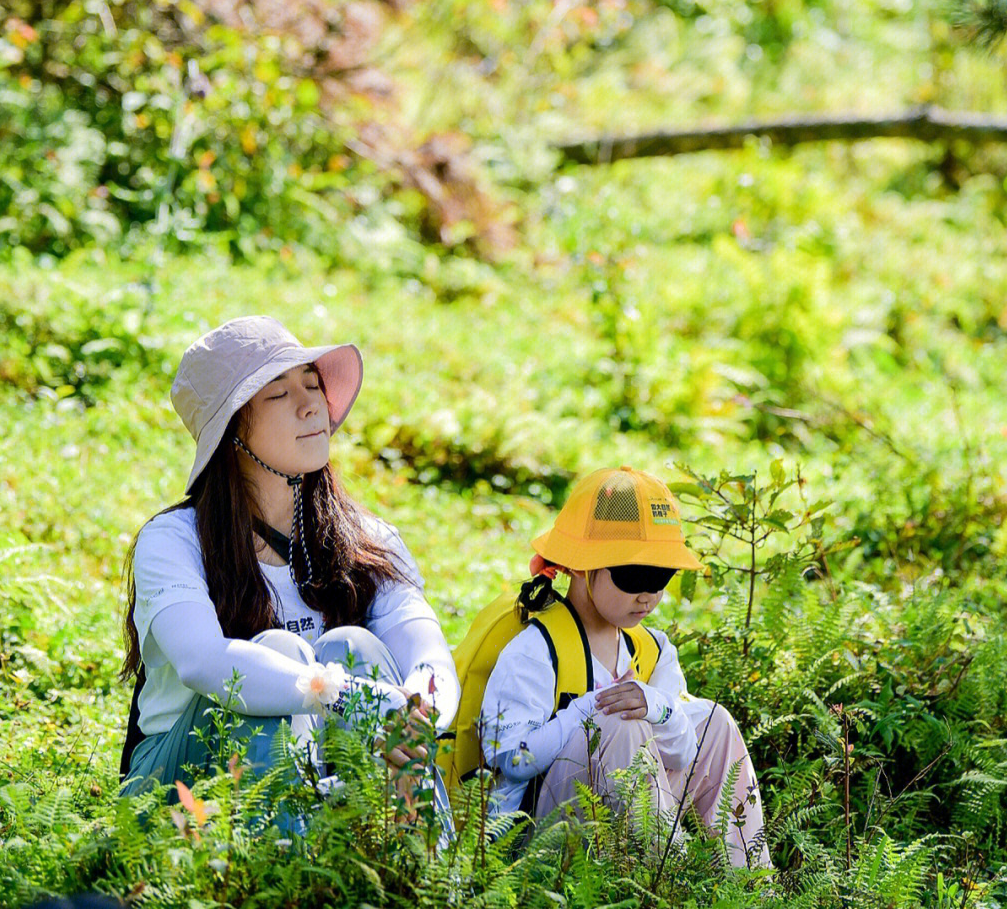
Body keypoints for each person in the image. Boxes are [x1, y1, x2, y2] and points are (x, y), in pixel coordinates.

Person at [119, 314, 459, 827]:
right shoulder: (174, 540)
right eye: (277, 394)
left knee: (357, 647)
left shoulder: (365, 540)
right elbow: (206, 663)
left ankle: (415, 870)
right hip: (178, 790)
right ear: (232, 430)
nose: (311, 404)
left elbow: (428, 651)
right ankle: (273, 880)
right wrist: (350, 697)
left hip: (318, 772)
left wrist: (414, 712)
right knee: (275, 653)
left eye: (312, 383)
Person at [479, 466, 770, 868]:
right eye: (634, 576)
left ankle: (753, 883)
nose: (649, 596)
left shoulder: (653, 650)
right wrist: (586, 711)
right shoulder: (536, 651)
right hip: (543, 839)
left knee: (715, 722)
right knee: (619, 721)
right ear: (582, 566)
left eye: (661, 576)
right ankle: (669, 881)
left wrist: (657, 706)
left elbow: (685, 752)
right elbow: (509, 760)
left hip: (630, 817)